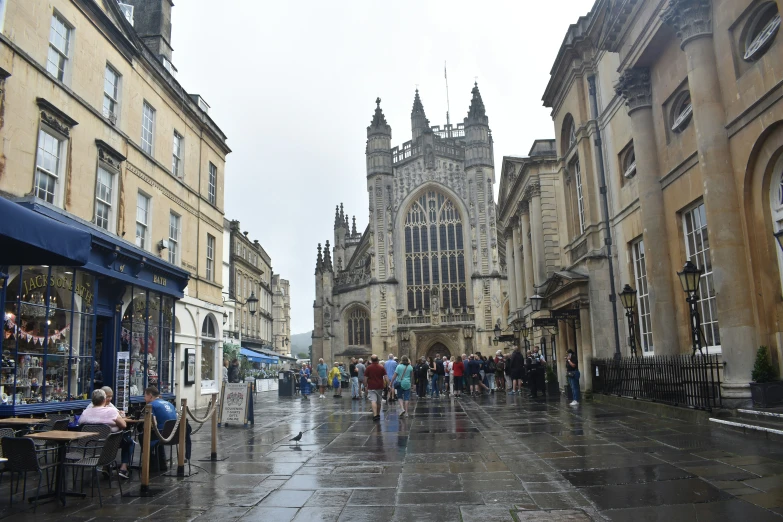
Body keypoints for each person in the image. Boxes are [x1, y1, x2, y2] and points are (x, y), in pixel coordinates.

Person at [78, 389, 132, 478]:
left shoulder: (85, 412)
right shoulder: (111, 411)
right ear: (104, 400)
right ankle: (123, 468)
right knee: (129, 441)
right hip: (110, 444)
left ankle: (106, 466)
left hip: (90, 446)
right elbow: (124, 425)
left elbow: (80, 425)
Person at [143, 386, 189, 471]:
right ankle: (162, 462)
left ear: (150, 395)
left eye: (145, 395)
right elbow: (177, 418)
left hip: (161, 435)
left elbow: (153, 423)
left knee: (143, 436)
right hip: (175, 436)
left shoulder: (150, 405)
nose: (144, 398)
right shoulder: (169, 403)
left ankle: (151, 463)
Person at [363, 355, 388, 421]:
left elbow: (365, 377)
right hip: (379, 386)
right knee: (379, 401)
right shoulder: (381, 367)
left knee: (373, 400)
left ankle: (375, 415)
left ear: (371, 360)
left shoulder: (368, 368)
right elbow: (386, 376)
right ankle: (378, 414)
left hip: (371, 386)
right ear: (377, 360)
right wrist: (388, 384)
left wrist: (365, 385)